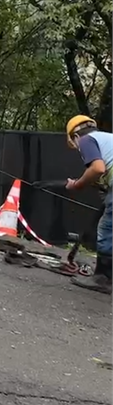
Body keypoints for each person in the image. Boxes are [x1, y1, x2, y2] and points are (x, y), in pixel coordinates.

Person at [64, 115, 112, 294]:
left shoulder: (86, 140)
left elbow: (97, 168)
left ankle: (103, 278)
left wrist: (77, 184)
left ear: (75, 136)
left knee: (107, 229)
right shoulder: (107, 139)